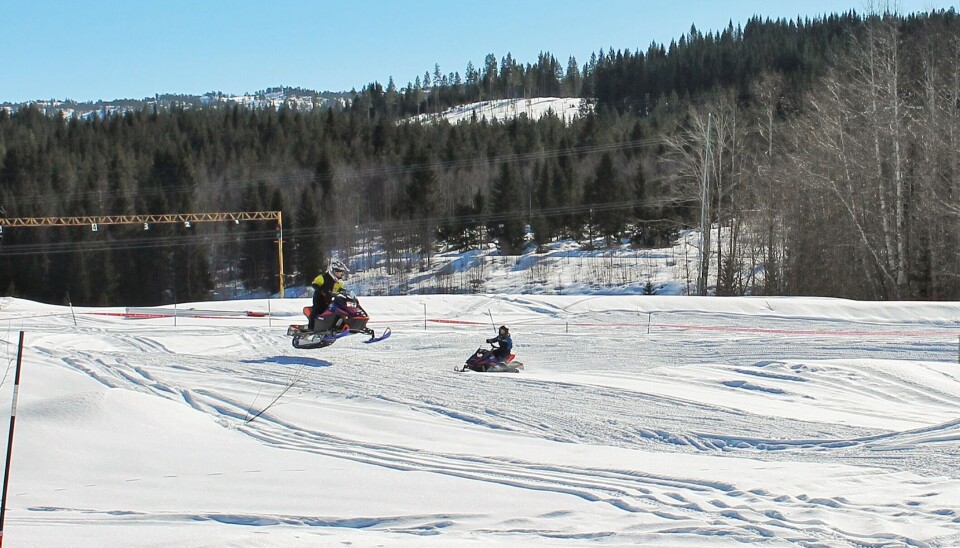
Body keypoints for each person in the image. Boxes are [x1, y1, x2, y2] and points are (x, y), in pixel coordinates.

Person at [307, 259, 349, 331]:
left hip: (331, 300)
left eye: (341, 272)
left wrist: (344, 292)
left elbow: (340, 289)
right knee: (317, 309)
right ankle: (311, 327)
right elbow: (314, 284)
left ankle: (339, 325)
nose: (340, 274)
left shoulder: (339, 282)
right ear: (333, 271)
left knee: (340, 309)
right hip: (320, 299)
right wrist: (321, 289)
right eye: (338, 272)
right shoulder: (322, 277)